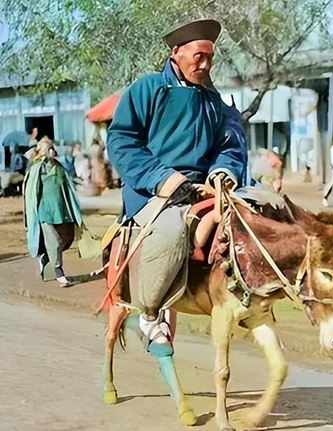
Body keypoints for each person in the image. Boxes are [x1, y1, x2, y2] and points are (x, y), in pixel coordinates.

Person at [106, 18, 248, 358]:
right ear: (176, 53)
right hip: (152, 190)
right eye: (199, 56)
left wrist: (224, 171)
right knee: (173, 231)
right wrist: (161, 178)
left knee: (256, 219)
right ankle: (151, 313)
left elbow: (230, 144)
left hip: (203, 188)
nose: (206, 64)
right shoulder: (147, 89)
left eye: (210, 58)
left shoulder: (213, 100)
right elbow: (122, 140)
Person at [23, 139, 90, 287]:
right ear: (43, 151)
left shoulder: (59, 166)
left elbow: (68, 185)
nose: (53, 151)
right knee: (55, 243)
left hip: (62, 210)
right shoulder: (37, 168)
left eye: (53, 148)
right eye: (50, 149)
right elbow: (32, 193)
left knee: (67, 238)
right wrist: (32, 214)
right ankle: (60, 274)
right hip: (45, 212)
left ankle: (46, 257)